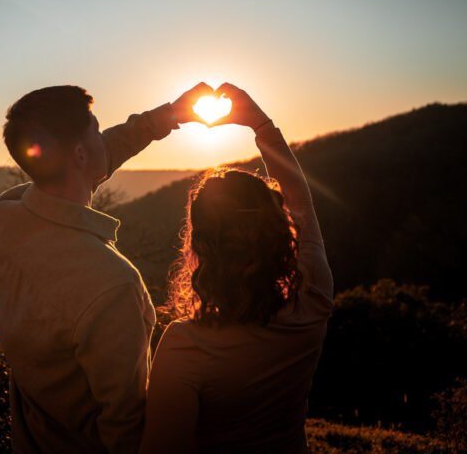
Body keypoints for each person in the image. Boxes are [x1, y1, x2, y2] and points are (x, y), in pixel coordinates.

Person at [0, 82, 218, 453]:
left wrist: (167, 116)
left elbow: (98, 154)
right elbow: (126, 428)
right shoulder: (112, 285)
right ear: (80, 155)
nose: (103, 136)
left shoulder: (9, 215)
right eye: (96, 128)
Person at [139, 82, 335, 454]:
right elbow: (303, 204)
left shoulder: (186, 347)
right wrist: (260, 124)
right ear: (280, 233)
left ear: (201, 248)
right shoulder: (312, 300)